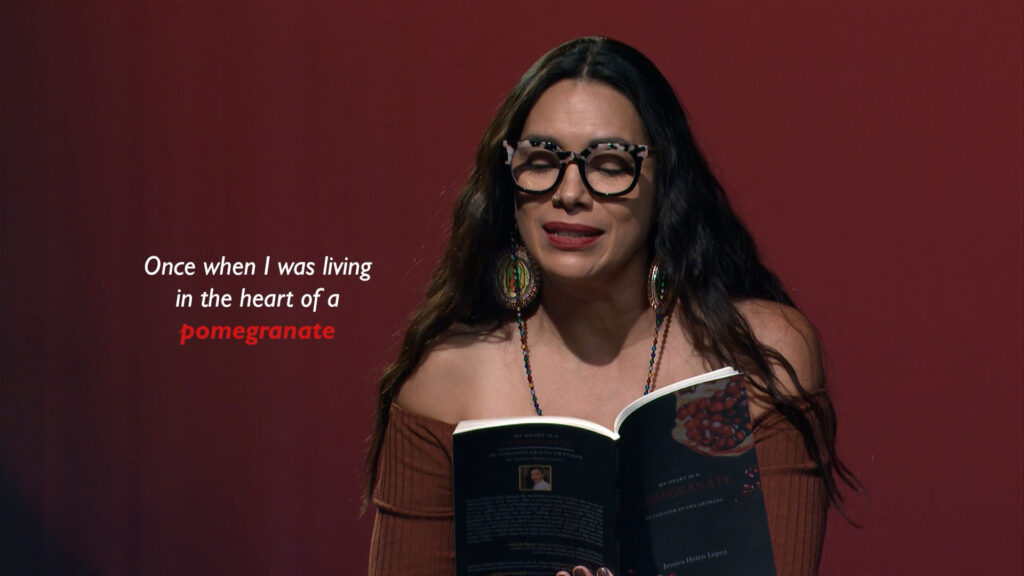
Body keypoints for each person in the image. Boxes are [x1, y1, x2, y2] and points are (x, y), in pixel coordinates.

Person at [365, 37, 858, 576]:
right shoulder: (441, 379)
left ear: (664, 183)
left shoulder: (760, 357)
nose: (570, 192)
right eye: (540, 160)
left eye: (608, 163)